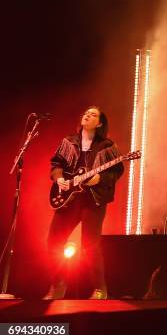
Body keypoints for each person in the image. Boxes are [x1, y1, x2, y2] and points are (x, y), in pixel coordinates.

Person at [43, 106, 124, 300]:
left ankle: (100, 289)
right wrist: (59, 178)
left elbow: (117, 171)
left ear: (100, 123)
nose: (88, 115)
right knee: (53, 241)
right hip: (69, 200)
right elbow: (56, 165)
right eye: (87, 113)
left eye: (93, 114)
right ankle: (58, 284)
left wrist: (100, 179)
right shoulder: (69, 141)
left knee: (90, 245)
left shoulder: (107, 146)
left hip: (92, 201)